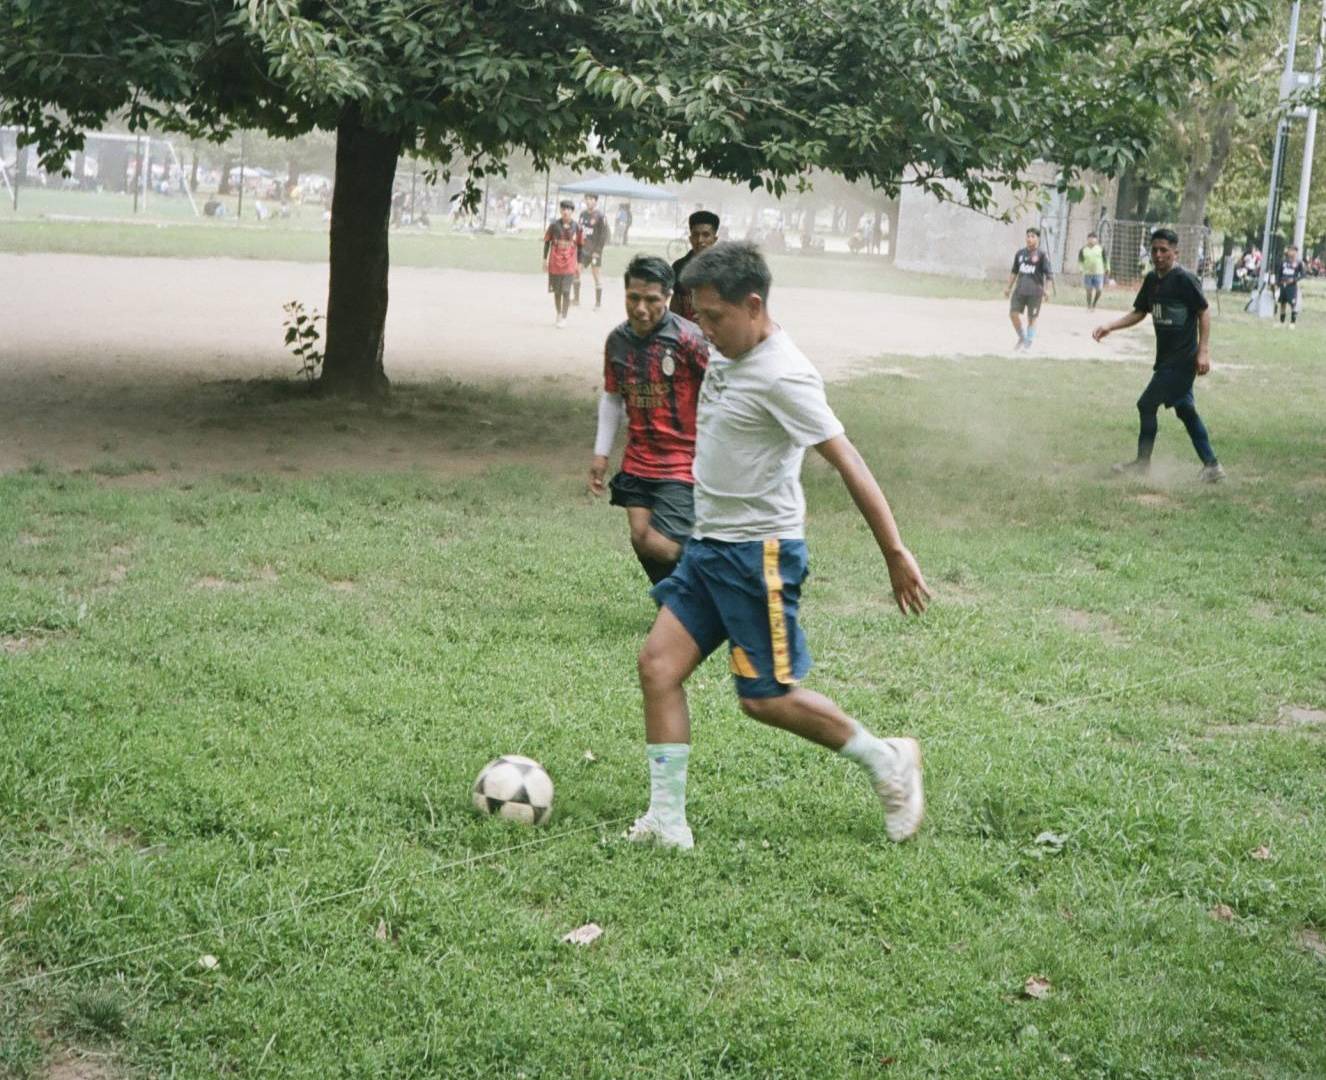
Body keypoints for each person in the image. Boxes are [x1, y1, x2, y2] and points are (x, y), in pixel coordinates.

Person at [628, 241, 931, 850]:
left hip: (757, 556)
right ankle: (667, 821)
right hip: (709, 546)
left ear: (754, 305)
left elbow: (848, 461)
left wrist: (895, 551)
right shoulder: (726, 348)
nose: (705, 330)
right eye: (698, 316)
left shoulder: (785, 374)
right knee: (658, 666)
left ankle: (887, 758)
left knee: (765, 699)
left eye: (714, 317)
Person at [590, 255, 710, 584]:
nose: (641, 309)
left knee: (663, 546)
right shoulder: (617, 341)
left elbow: (721, 389)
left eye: (652, 300)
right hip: (639, 458)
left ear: (668, 297)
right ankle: (676, 603)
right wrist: (601, 454)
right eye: (633, 298)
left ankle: (710, 576)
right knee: (641, 539)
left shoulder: (689, 339)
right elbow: (612, 397)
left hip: (683, 459)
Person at [1092, 227, 1226, 483]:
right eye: (1154, 250)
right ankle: (1212, 465)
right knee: (1185, 410)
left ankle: (1142, 464)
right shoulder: (1152, 279)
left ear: (1175, 252)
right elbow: (1140, 312)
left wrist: (1204, 351)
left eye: (1164, 250)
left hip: (1182, 361)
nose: (1158, 255)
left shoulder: (1185, 279)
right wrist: (1110, 326)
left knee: (1146, 405)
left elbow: (1204, 311)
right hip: (1165, 359)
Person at [1005, 227, 1054, 351]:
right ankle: (1022, 337)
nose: (1029, 238)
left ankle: (1028, 343)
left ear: (1038, 239)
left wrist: (1047, 290)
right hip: (1020, 290)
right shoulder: (1020, 254)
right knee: (1013, 314)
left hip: (1035, 292)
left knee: (1032, 318)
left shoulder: (1042, 255)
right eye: (1028, 236)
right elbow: (1014, 271)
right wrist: (1008, 287)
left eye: (1033, 236)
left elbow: (1049, 275)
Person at [669, 210, 720, 322]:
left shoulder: (725, 269)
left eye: (706, 235)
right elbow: (676, 303)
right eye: (696, 235)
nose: (700, 240)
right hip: (685, 330)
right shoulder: (679, 267)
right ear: (690, 238)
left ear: (715, 239)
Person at [542, 200, 583, 328]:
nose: (566, 211)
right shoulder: (554, 225)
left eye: (568, 209)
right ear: (560, 210)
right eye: (563, 209)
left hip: (569, 263)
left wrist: (579, 263)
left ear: (572, 211)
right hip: (555, 262)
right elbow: (547, 242)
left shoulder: (577, 227)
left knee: (566, 291)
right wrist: (544, 259)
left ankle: (564, 317)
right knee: (557, 292)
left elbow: (581, 246)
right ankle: (558, 313)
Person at [575, 194, 610, 310]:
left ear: (595, 201)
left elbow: (603, 236)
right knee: (576, 272)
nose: (588, 201)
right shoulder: (583, 214)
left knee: (596, 275)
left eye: (591, 199)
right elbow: (579, 231)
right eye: (587, 199)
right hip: (583, 250)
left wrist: (598, 251)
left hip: (594, 252)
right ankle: (576, 300)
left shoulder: (600, 216)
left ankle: (598, 303)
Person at [1274, 243, 1306, 328]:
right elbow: (1279, 273)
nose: (1289, 252)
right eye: (1289, 250)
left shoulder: (1299, 262)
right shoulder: (1284, 261)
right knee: (1282, 303)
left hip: (1291, 286)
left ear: (1295, 252)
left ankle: (1292, 323)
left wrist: (1294, 280)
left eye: (1291, 250)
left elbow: (1303, 274)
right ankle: (1281, 322)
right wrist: (1277, 283)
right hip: (1283, 285)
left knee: (1293, 304)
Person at [1077, 232, 1109, 310]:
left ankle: (1094, 303)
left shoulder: (1101, 248)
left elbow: (1105, 259)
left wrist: (1107, 268)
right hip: (1088, 273)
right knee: (1089, 290)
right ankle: (1089, 305)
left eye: (1093, 239)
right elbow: (1080, 261)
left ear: (1096, 240)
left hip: (1099, 273)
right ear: (1087, 239)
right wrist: (1080, 269)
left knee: (1099, 290)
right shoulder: (1083, 249)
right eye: (1090, 239)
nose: (1091, 240)